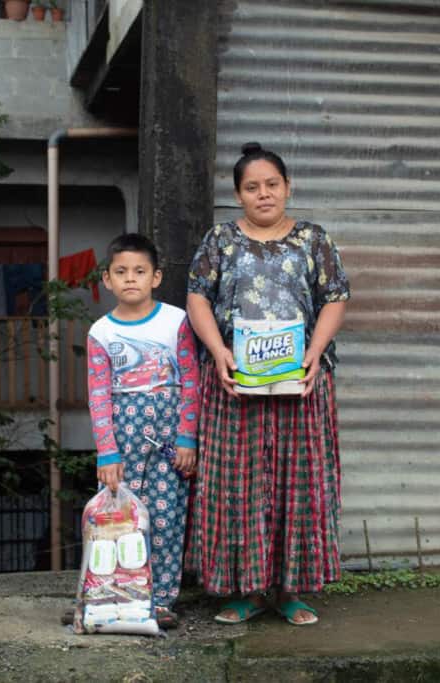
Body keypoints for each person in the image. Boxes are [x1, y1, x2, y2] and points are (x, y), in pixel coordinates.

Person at [185, 142, 350, 626]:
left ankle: (290, 591)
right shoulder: (220, 241)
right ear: (238, 195)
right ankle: (247, 590)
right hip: (235, 383)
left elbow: (336, 296)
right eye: (252, 187)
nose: (263, 194)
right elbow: (197, 298)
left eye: (271, 185)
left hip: (300, 383)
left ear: (288, 187)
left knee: (299, 484)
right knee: (238, 485)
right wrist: (218, 352)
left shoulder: (313, 240)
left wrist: (314, 352)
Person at [86, 233, 200, 629]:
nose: (130, 279)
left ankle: (163, 599)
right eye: (121, 272)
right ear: (107, 279)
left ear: (156, 277)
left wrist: (187, 437)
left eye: (139, 271)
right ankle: (119, 596)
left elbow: (190, 378)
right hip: (123, 433)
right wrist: (107, 452)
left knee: (167, 515)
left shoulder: (177, 320)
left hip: (170, 434)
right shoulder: (100, 332)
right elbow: (98, 394)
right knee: (121, 518)